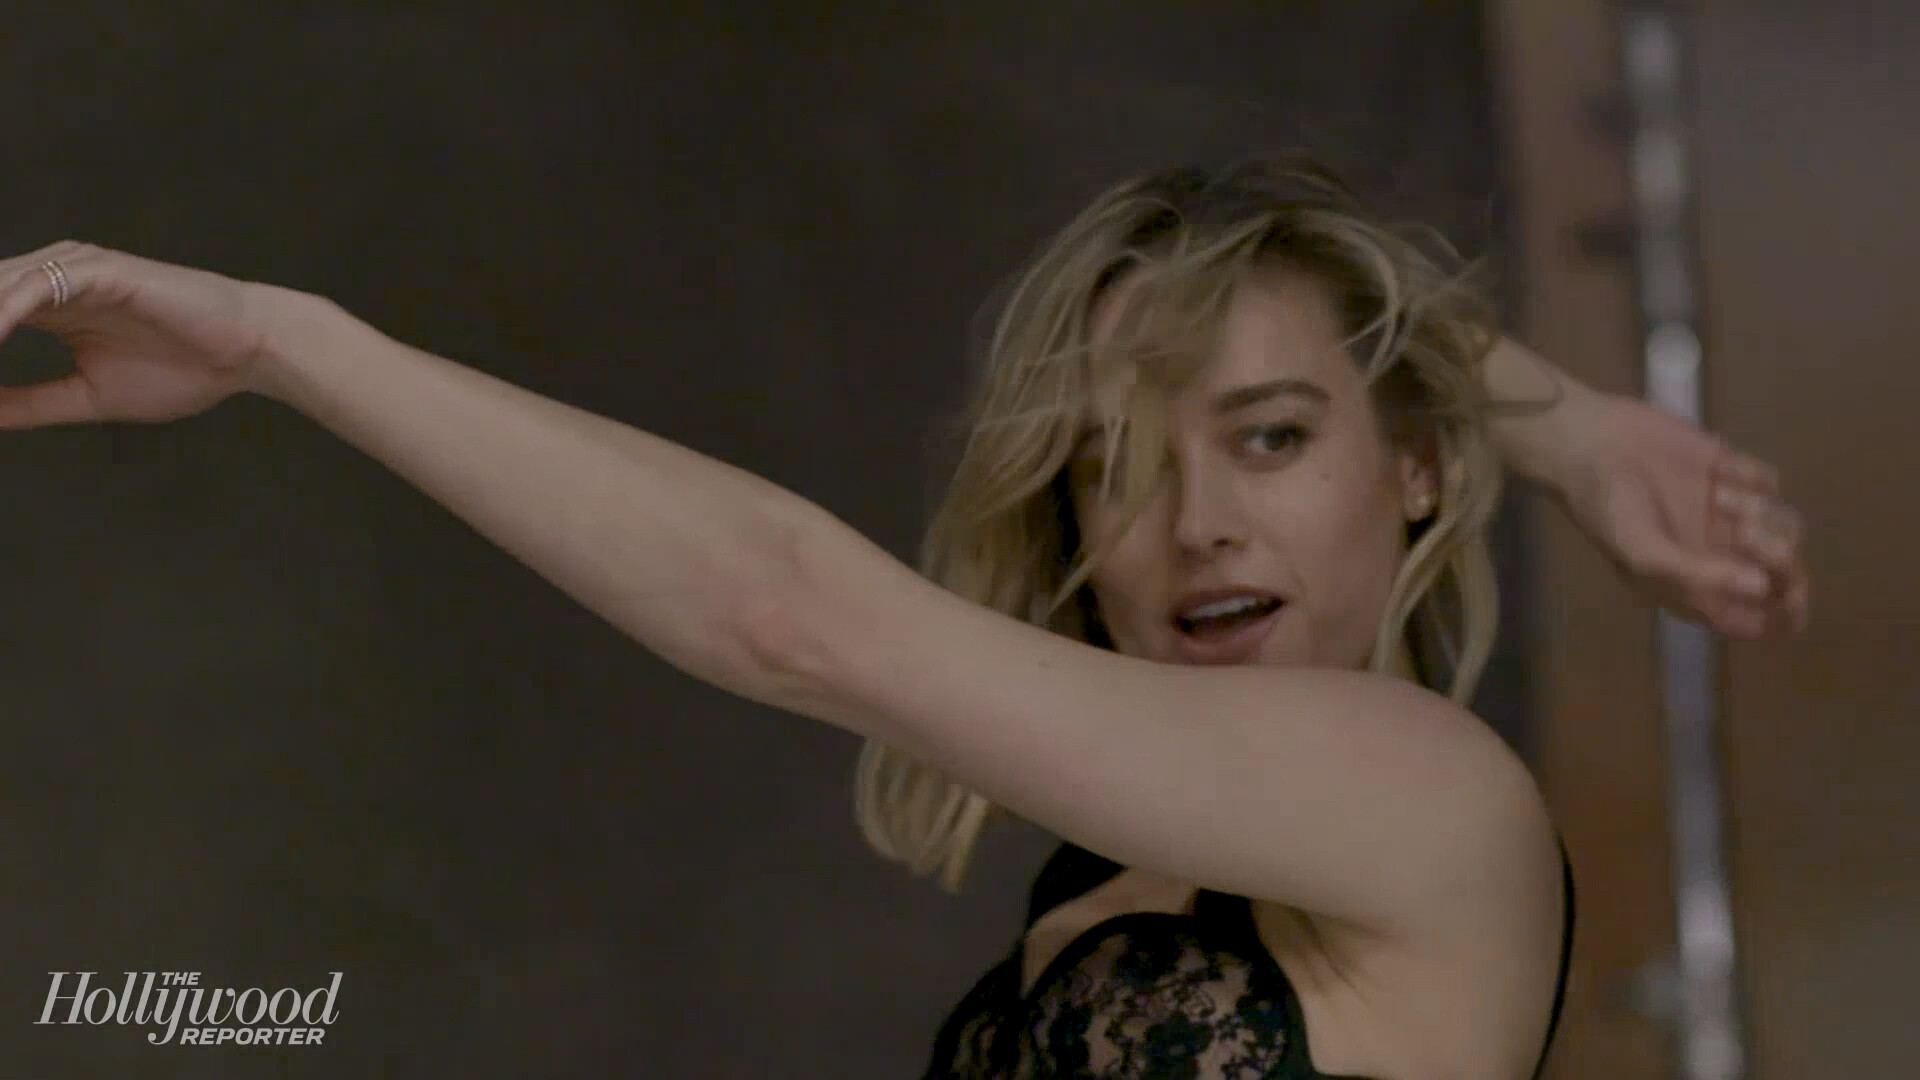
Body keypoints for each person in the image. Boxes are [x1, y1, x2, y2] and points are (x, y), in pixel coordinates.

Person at [0, 155, 1805, 1078]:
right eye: (1114, 463)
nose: (1196, 522)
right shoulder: (1125, 871)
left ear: (1416, 465)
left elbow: (788, 614)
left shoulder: (1426, 802)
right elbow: (1345, 340)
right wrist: (1572, 430)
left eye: (1272, 440)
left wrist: (284, 345)